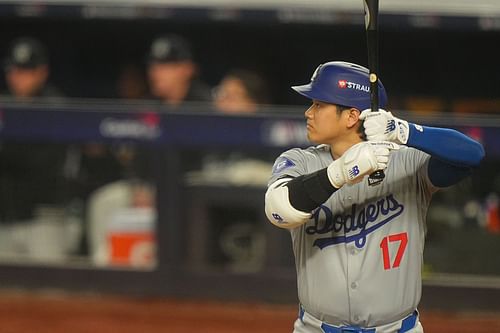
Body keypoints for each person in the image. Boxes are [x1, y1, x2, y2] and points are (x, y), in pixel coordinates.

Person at [264, 61, 485, 333]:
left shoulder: (407, 162)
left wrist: (404, 131)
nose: (309, 113)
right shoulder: (299, 161)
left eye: (319, 105)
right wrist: (339, 173)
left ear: (351, 116)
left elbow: (472, 155)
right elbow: (279, 210)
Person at [146, 34, 211, 106]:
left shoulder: (206, 107)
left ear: (188, 69)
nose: (155, 73)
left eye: (165, 66)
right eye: (152, 66)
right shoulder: (147, 106)